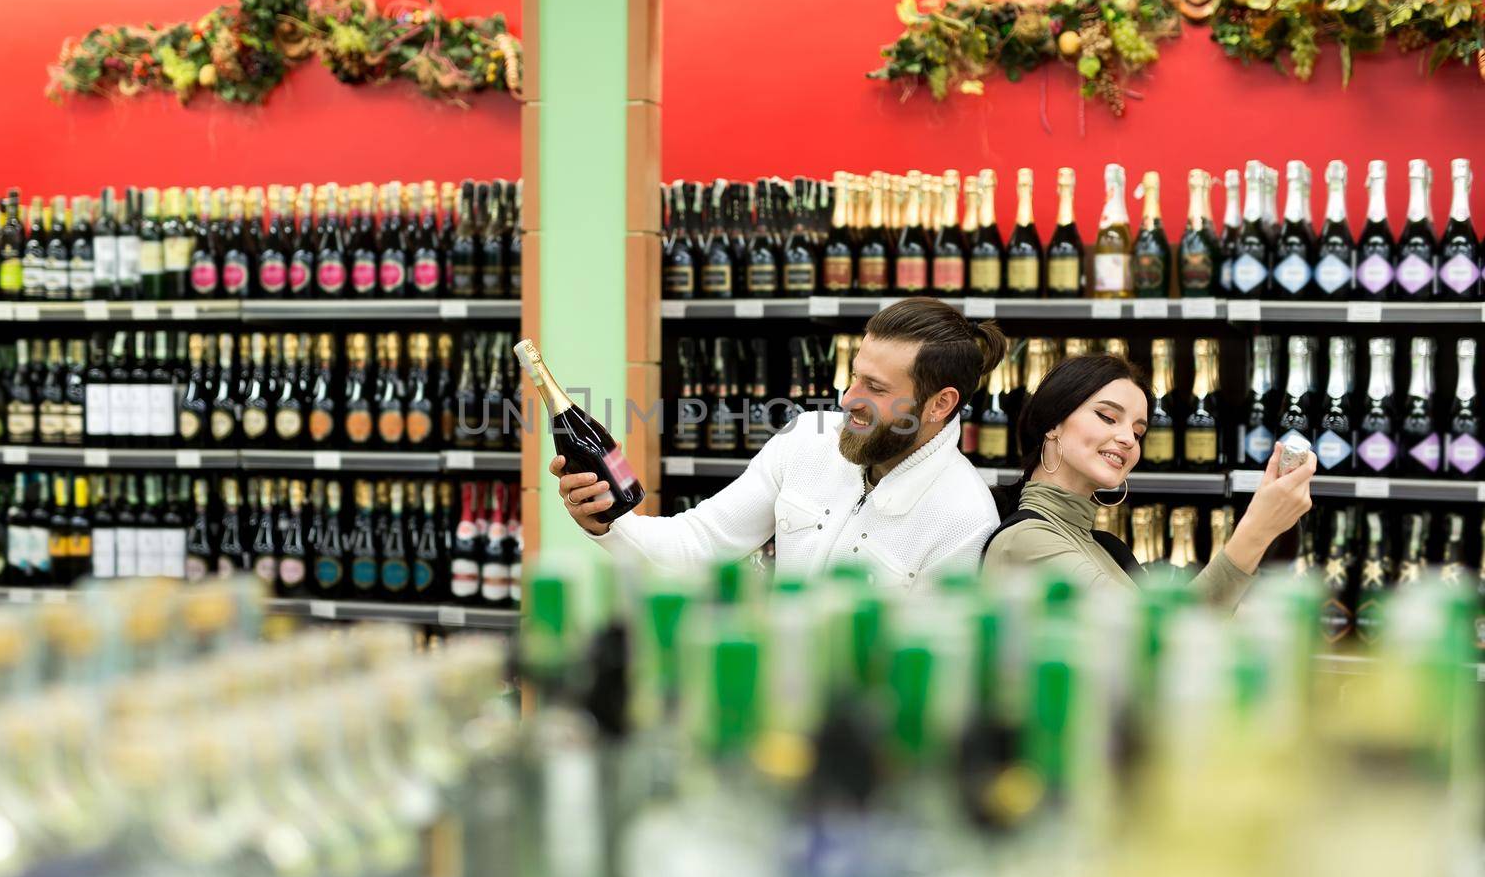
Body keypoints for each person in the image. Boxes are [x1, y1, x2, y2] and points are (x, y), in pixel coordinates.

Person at [551, 297, 1006, 592]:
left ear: (939, 404)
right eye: (854, 377)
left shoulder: (963, 518)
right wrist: (605, 520)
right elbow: (699, 543)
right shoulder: (808, 442)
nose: (849, 400)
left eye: (876, 388)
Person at [981, 353, 1314, 606]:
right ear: (1052, 423)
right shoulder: (1026, 541)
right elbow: (1159, 637)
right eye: (1108, 417)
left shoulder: (1102, 545)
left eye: (1138, 432)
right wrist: (1257, 530)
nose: (1127, 438)